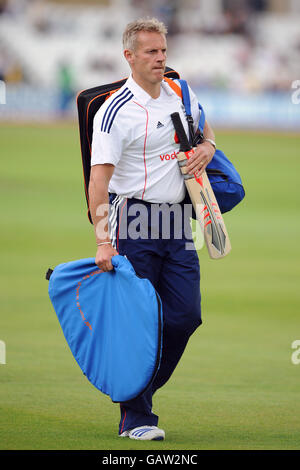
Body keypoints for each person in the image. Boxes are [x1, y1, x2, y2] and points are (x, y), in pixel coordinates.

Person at [89, 17, 216, 441]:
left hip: (179, 221)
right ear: (130, 56)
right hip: (134, 221)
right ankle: (136, 417)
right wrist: (103, 241)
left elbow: (207, 133)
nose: (161, 58)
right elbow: (99, 183)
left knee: (185, 316)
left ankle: (136, 387)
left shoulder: (180, 90)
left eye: (163, 51)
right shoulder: (114, 113)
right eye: (151, 52)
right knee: (139, 321)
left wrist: (206, 149)